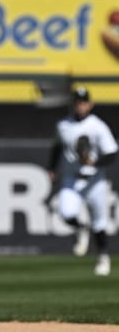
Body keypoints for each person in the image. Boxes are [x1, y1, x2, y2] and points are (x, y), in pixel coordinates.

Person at [47, 87, 117, 276]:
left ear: (90, 104)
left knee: (100, 223)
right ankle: (81, 228)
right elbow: (57, 146)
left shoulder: (97, 126)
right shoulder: (63, 125)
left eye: (83, 102)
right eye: (77, 102)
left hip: (95, 180)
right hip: (72, 178)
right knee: (65, 212)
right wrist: (52, 168)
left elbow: (112, 152)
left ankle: (103, 257)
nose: (80, 106)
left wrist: (96, 162)